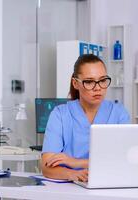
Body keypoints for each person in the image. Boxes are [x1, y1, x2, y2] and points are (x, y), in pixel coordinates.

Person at [41, 54, 130, 182]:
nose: (98, 87)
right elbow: (46, 166)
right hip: (68, 189)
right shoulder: (60, 114)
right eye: (89, 82)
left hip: (109, 184)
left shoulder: (119, 114)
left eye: (103, 80)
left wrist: (76, 163)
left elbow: (124, 162)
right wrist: (71, 174)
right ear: (75, 83)